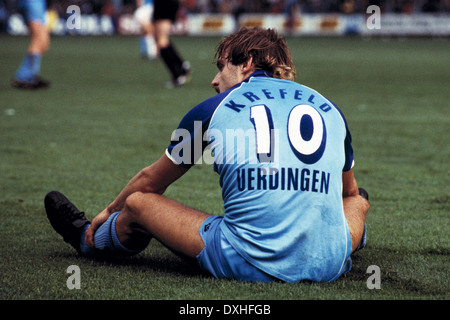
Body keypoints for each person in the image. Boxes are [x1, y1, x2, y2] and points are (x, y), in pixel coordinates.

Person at [45, 27, 370, 283]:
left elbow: (149, 182)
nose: (215, 80)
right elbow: (349, 193)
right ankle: (337, 241)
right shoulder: (329, 108)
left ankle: (86, 239)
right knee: (359, 202)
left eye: (221, 67)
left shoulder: (213, 109)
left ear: (246, 64)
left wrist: (106, 213)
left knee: (138, 204)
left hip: (249, 261)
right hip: (329, 261)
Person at [12, 0, 50, 89]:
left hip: (38, 3)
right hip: (33, 2)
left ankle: (29, 75)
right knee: (39, 39)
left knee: (44, 42)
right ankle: (24, 77)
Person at [153, 0, 191, 87]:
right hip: (160, 4)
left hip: (166, 4)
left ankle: (178, 74)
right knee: (159, 39)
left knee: (162, 42)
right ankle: (181, 66)